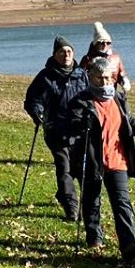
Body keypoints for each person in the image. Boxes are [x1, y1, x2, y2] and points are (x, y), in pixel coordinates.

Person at [75, 59, 135, 260]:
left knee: (122, 201)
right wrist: (79, 125)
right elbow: (70, 126)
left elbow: (130, 123)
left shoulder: (118, 99)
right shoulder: (81, 101)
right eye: (99, 78)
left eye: (108, 78)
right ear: (90, 77)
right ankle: (94, 237)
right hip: (93, 159)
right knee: (92, 200)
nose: (104, 82)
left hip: (118, 159)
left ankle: (128, 245)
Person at [23, 37, 88, 220]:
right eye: (61, 51)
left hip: (80, 131)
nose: (66, 54)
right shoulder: (45, 76)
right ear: (54, 55)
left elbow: (92, 97)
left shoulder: (81, 74)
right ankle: (72, 208)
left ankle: (79, 202)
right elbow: (32, 100)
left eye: (69, 51)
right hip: (56, 131)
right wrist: (37, 114)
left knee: (81, 171)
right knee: (64, 169)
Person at [82, 21, 130, 94]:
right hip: (92, 95)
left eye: (108, 43)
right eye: (101, 43)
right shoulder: (87, 59)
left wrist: (124, 80)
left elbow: (121, 73)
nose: (105, 45)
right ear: (95, 44)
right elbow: (80, 77)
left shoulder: (116, 58)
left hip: (111, 93)